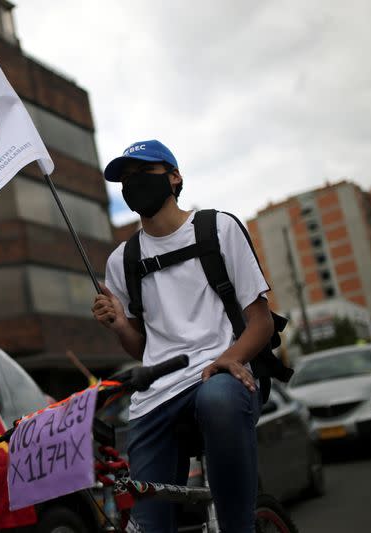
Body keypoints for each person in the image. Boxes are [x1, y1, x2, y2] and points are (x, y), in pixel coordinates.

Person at [92, 140, 273, 533]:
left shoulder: (218, 228)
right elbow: (144, 349)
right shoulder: (121, 261)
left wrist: (231, 357)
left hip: (222, 380)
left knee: (218, 399)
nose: (133, 184)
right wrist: (120, 324)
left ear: (175, 177)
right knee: (148, 525)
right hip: (157, 397)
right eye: (125, 179)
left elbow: (261, 323)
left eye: (143, 174)